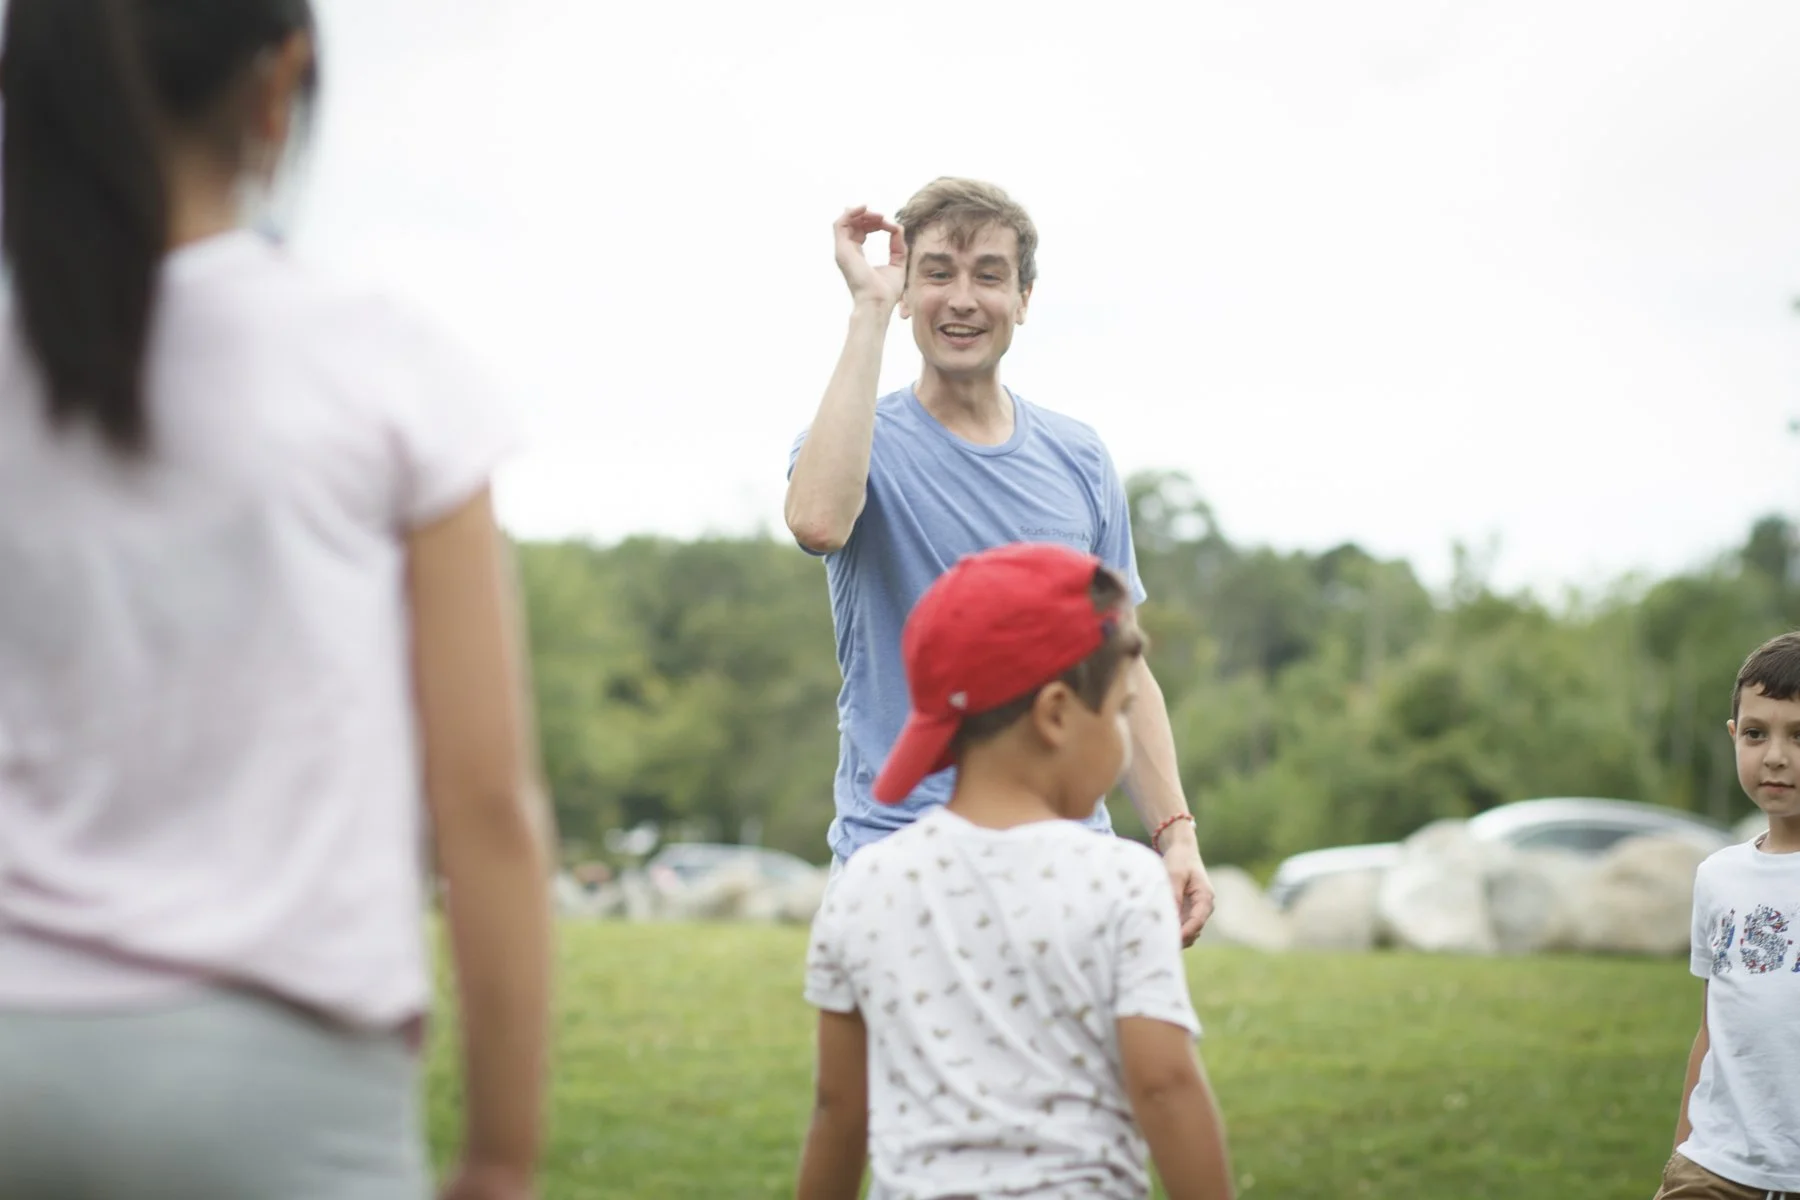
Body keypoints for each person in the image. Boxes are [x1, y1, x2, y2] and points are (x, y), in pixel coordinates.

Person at [0, 3, 553, 1198]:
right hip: (280, 1084)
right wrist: (502, 1154)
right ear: (279, 85)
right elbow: (484, 802)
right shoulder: (383, 360)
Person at [784, 177, 1214, 944]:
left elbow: (1124, 669)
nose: (962, 298)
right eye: (938, 272)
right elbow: (817, 521)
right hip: (901, 865)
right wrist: (868, 310)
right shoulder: (855, 442)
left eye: (988, 274)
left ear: (1024, 298)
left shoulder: (1078, 457)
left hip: (1066, 868)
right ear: (909, 291)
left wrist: (1175, 831)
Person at [794, 542, 1235, 1200]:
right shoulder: (1120, 882)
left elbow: (838, 1111)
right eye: (1119, 711)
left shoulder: (865, 885)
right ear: (1057, 713)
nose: (1123, 739)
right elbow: (1166, 1088)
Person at [1656, 631, 1800, 1200]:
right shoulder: (1717, 876)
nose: (1776, 756)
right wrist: (1683, 1150)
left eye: (1799, 735)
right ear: (1734, 736)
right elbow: (1713, 1027)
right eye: (1757, 734)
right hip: (1713, 1172)